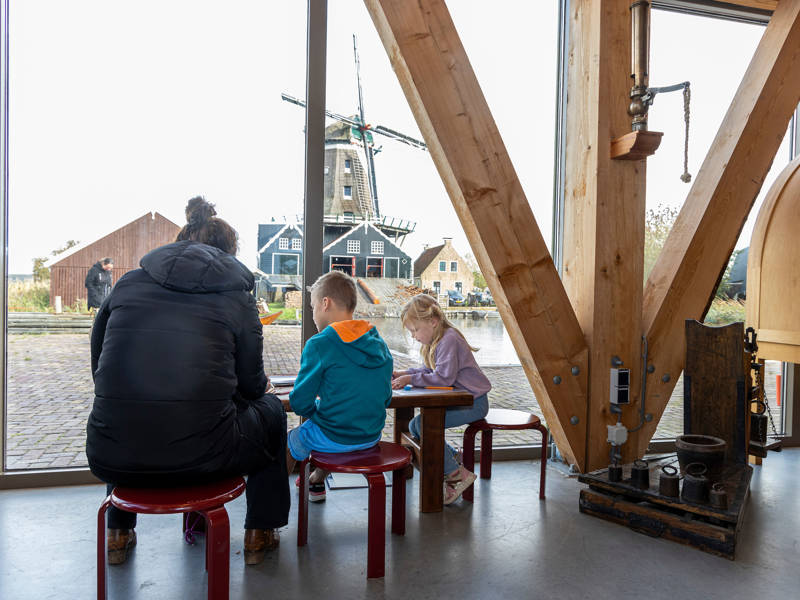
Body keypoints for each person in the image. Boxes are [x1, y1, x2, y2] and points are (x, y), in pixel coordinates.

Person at [86, 196, 289, 567]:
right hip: (205, 454)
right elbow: (250, 384)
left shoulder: (128, 284)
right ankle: (261, 530)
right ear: (228, 254)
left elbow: (100, 363)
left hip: (110, 453)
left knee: (125, 406)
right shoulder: (237, 297)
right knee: (272, 412)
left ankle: (118, 532)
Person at [286, 271, 393, 502]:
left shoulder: (320, 344)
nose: (312, 314)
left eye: (312, 306)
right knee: (334, 421)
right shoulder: (379, 342)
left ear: (326, 303)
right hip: (371, 435)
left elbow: (299, 403)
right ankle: (316, 480)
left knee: (294, 440)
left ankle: (268, 516)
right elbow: (385, 398)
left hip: (336, 436)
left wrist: (315, 409)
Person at [391, 293, 491, 505]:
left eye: (415, 330)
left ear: (433, 322)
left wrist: (411, 378)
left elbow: (444, 377)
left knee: (421, 423)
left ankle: (456, 474)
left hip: (475, 403)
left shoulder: (449, 339)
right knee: (414, 425)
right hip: (463, 400)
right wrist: (404, 373)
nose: (414, 336)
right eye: (411, 332)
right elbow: (428, 370)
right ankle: (453, 457)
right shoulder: (439, 340)